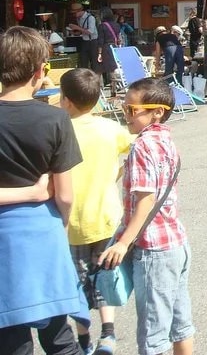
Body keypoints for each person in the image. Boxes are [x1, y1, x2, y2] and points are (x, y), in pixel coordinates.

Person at [0, 26, 88, 355]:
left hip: (3, 238)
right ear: (40, 71)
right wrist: (60, 222)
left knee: (11, 339)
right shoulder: (55, 120)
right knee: (59, 336)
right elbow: (64, 194)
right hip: (43, 231)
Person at [99, 77, 195, 355]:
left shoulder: (142, 146)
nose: (126, 114)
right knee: (181, 326)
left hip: (153, 248)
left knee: (153, 337)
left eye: (132, 110)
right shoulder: (167, 142)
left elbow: (145, 200)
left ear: (158, 112)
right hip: (176, 241)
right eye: (124, 107)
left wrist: (123, 242)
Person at [60, 68, 133, 355]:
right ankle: (109, 332)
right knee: (105, 275)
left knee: (76, 281)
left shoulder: (60, 129)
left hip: (71, 221)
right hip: (106, 214)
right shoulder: (110, 129)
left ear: (65, 99)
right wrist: (118, 171)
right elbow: (135, 146)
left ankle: (83, 338)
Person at [96, 7, 121, 94]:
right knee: (112, 68)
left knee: (99, 69)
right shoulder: (117, 25)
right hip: (114, 47)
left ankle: (99, 90)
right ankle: (113, 90)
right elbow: (119, 39)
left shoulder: (102, 26)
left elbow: (100, 40)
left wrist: (99, 53)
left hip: (105, 48)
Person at [68, 1, 99, 70]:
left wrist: (76, 27)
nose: (73, 15)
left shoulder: (90, 18)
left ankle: (96, 78)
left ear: (79, 11)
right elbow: (82, 31)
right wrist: (74, 32)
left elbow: (90, 31)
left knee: (94, 62)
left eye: (74, 13)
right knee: (83, 61)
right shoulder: (79, 19)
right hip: (85, 41)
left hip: (93, 42)